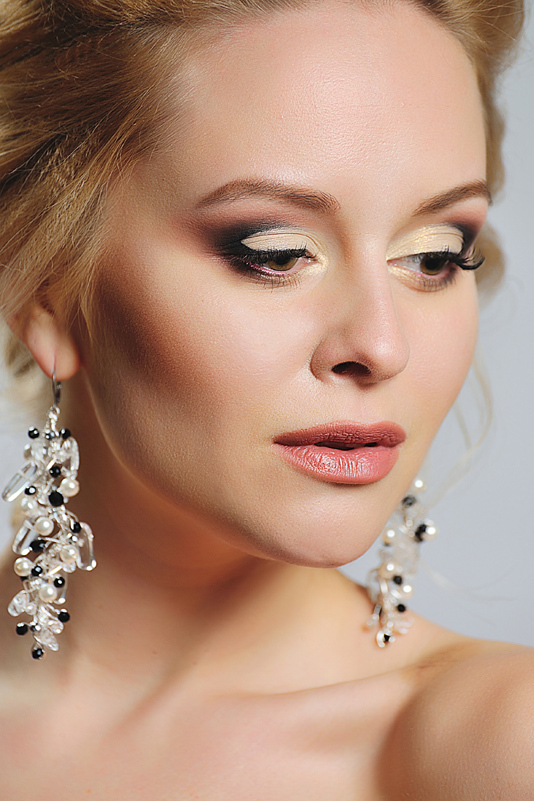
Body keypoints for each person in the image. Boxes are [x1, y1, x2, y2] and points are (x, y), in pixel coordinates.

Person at [0, 0, 532, 798]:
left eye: (433, 257)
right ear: (43, 290)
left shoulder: (493, 745)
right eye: (277, 253)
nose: (382, 345)